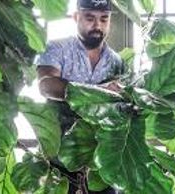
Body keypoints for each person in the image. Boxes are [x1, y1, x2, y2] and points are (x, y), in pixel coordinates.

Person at [35, 0, 124, 193]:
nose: (97, 25)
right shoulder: (56, 48)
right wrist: (99, 91)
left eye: (104, 19)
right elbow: (46, 85)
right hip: (59, 160)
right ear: (76, 17)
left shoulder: (116, 61)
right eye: (90, 18)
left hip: (99, 161)